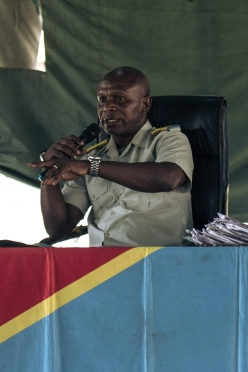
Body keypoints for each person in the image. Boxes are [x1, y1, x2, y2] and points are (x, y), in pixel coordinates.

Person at [30, 67, 193, 246]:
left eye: (120, 99)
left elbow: (168, 177)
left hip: (155, 259)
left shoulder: (168, 140)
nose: (107, 107)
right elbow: (58, 228)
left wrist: (90, 167)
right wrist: (49, 170)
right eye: (102, 99)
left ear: (145, 104)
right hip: (101, 261)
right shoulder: (91, 156)